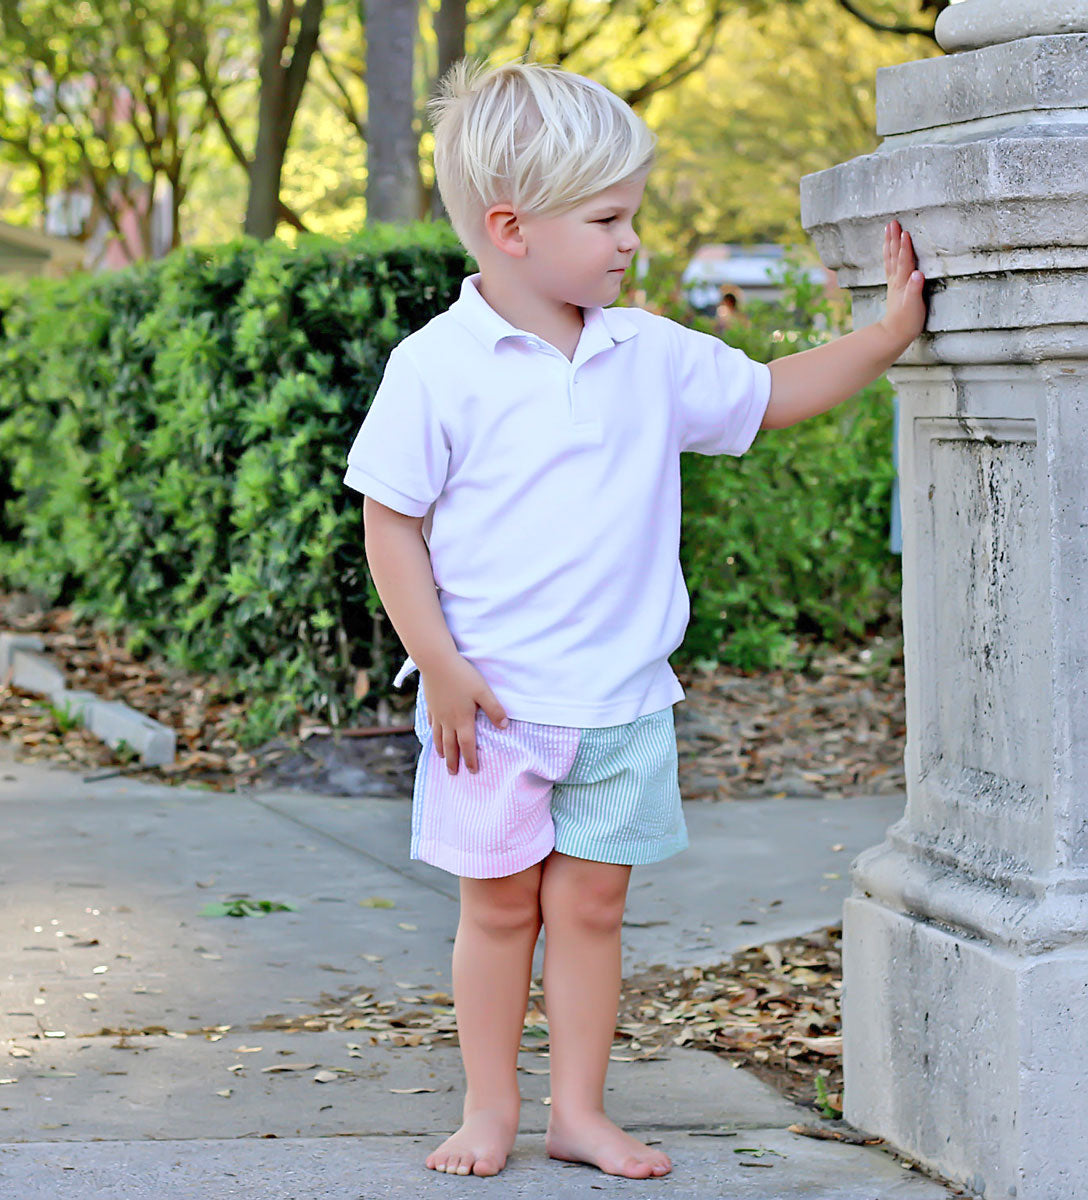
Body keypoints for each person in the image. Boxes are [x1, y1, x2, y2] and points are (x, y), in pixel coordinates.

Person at [342, 58, 926, 1181]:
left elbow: (770, 392)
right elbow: (391, 526)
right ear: (511, 228)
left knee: (595, 908)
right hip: (491, 707)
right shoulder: (438, 368)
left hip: (619, 703)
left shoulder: (646, 353)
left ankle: (579, 1112)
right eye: (609, 219)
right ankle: (487, 1111)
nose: (632, 243)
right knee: (500, 914)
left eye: (632, 217)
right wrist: (438, 664)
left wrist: (887, 335)